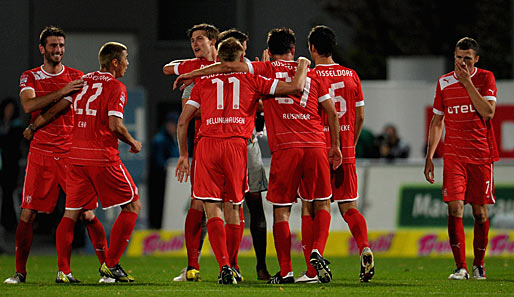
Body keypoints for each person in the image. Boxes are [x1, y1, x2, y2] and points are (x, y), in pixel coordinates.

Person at [175, 27, 342, 284]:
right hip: (277, 144)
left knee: (219, 207)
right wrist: (302, 66)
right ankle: (309, 256)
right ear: (295, 49)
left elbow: (185, 116)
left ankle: (235, 267)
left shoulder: (254, 71)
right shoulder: (278, 76)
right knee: (313, 203)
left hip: (215, 145)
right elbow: (307, 95)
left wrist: (191, 74)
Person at [24, 41, 142, 283]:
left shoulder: (82, 81)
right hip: (101, 157)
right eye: (126, 59)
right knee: (133, 205)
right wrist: (133, 142)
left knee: (71, 214)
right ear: (115, 63)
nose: (128, 64)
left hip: (75, 158)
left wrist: (35, 125)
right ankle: (111, 264)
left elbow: (58, 108)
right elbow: (114, 126)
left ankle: (63, 271)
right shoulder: (117, 87)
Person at [4, 26, 108, 284]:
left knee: (86, 214)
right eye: (53, 46)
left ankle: (108, 268)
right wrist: (61, 91)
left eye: (61, 46)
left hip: (71, 154)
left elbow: (68, 109)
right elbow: (28, 104)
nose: (58, 50)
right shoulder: (30, 77)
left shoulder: (76, 76)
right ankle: (20, 272)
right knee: (28, 214)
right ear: (42, 49)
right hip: (41, 154)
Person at [297, 25, 374, 283]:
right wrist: (347, 141)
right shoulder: (352, 75)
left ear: (313, 49)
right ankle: (364, 247)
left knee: (312, 206)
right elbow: (360, 115)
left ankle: (311, 269)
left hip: (319, 148)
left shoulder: (310, 75)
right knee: (349, 207)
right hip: (346, 150)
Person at [424, 37, 498, 280]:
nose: (462, 62)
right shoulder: (444, 82)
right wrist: (430, 156)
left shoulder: (486, 78)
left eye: (468, 58)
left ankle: (479, 265)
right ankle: (461, 267)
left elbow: (488, 112)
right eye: (458, 57)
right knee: (454, 208)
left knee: (480, 214)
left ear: (476, 59)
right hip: (454, 156)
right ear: (453, 56)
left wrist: (467, 84)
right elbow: (437, 121)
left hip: (480, 155)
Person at [163, 23, 219, 282]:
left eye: (200, 39)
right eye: (192, 40)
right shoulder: (193, 73)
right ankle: (194, 266)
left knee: (234, 206)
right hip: (207, 144)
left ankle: (231, 266)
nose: (195, 44)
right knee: (205, 204)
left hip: (237, 143)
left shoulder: (233, 64)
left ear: (213, 41)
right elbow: (167, 68)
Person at [217, 28, 271, 281]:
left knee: (224, 206)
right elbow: (267, 99)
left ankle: (234, 265)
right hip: (246, 144)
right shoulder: (253, 70)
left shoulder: (212, 72)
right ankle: (249, 266)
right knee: (249, 206)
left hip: (222, 144)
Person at [148, 112, 179, 229]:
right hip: (161, 180)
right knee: (160, 205)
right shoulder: (159, 140)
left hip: (176, 180)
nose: (173, 127)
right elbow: (159, 162)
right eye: (171, 124)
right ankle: (158, 228)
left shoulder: (180, 138)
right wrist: (170, 167)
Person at [0, 98, 24, 232]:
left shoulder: (16, 126)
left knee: (11, 194)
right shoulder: (3, 124)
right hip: (3, 165)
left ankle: (12, 222)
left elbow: (11, 143)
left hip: (11, 166)